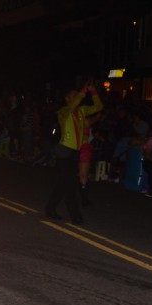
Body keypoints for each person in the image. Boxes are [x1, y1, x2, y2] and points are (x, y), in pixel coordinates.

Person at [44, 81, 103, 223]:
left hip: (75, 151)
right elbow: (75, 103)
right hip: (64, 149)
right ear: (67, 99)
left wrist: (93, 92)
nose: (78, 96)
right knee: (70, 184)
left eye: (78, 94)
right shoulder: (64, 111)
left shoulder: (81, 111)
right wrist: (84, 90)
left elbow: (98, 107)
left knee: (64, 183)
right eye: (74, 95)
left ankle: (50, 209)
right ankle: (75, 216)